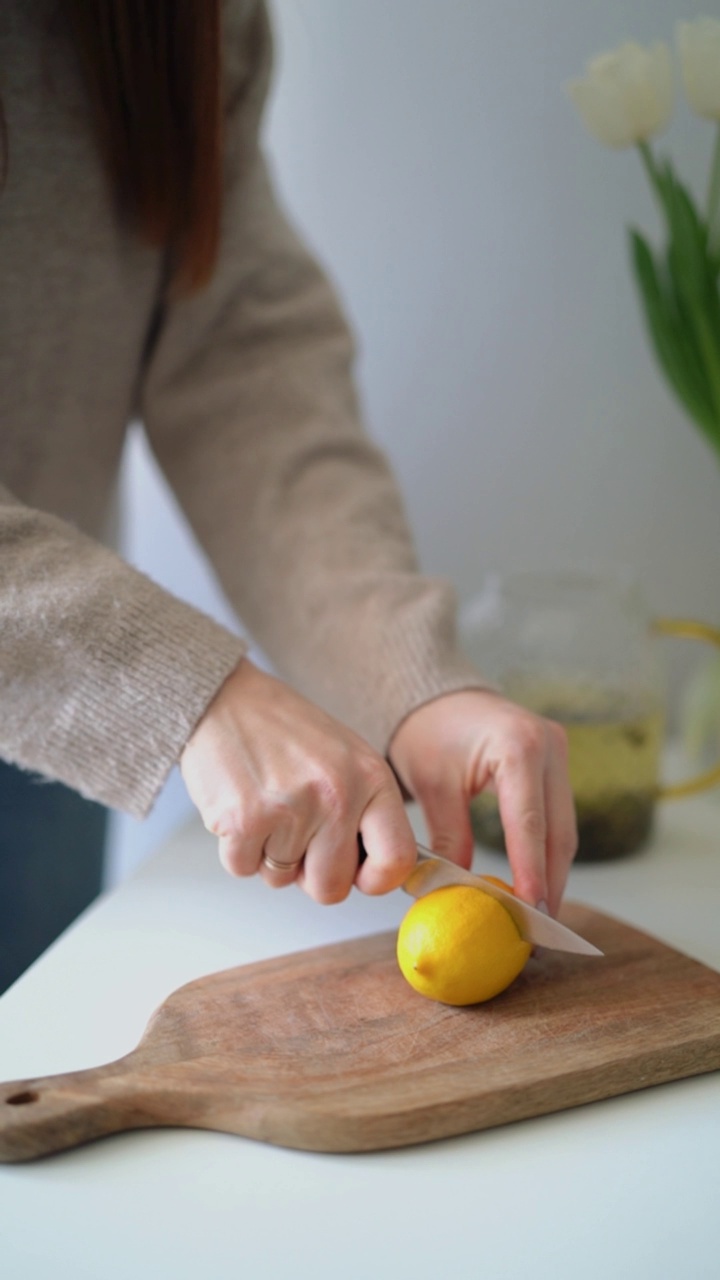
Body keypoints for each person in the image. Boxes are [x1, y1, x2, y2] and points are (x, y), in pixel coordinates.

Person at [0, 0, 577, 993]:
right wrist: (180, 686)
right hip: (80, 681)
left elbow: (238, 360)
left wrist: (408, 673)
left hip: (50, 739)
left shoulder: (187, 24)